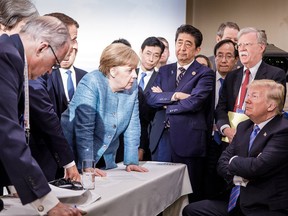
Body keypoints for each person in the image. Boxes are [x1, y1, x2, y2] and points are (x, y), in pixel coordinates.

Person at [0, 15, 81, 216]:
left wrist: (14, 182)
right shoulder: (6, 57)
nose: (48, 73)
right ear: (42, 47)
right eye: (54, 64)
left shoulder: (10, 54)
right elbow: (7, 133)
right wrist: (48, 203)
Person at [183, 79, 288, 216]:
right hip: (237, 200)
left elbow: (257, 167)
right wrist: (237, 176)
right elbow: (221, 163)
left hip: (265, 206)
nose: (247, 100)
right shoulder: (244, 126)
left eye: (254, 96)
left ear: (271, 105)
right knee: (191, 210)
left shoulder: (283, 130)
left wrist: (233, 161)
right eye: (248, 95)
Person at [146, 24, 215, 202]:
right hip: (161, 137)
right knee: (158, 193)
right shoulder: (163, 70)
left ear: (197, 49)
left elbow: (195, 102)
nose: (182, 48)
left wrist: (166, 102)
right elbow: (151, 98)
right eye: (179, 42)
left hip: (188, 140)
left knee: (186, 194)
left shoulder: (205, 73)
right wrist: (176, 95)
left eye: (188, 44)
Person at [61, 43, 149, 174]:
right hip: (75, 154)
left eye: (135, 70)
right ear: (113, 70)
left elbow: (133, 126)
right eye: (129, 70)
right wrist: (87, 165)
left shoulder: (133, 87)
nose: (135, 75)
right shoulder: (91, 82)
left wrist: (131, 161)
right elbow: (84, 129)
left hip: (105, 156)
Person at [28, 12, 85, 182]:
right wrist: (68, 162)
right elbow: (46, 116)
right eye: (72, 38)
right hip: (33, 158)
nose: (74, 45)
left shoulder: (51, 68)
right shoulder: (35, 69)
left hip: (52, 157)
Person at [215, 27, 287, 144]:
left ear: (261, 47)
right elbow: (221, 108)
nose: (242, 49)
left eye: (247, 44)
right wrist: (225, 129)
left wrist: (245, 132)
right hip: (229, 139)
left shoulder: (275, 75)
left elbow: (274, 109)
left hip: (257, 140)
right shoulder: (231, 76)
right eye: (239, 45)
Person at [204, 39, 239, 198]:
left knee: (226, 181)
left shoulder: (240, 83)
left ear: (236, 59)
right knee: (206, 182)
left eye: (228, 56)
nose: (223, 60)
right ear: (214, 58)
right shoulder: (204, 79)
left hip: (231, 140)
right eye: (220, 55)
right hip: (206, 139)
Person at [45, 13, 88, 119]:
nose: (71, 46)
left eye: (74, 40)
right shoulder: (43, 77)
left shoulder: (87, 77)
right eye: (70, 40)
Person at [137, 36, 165, 161]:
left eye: (156, 55)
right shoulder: (128, 73)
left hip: (149, 133)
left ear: (160, 57)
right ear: (140, 52)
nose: (151, 59)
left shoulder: (162, 78)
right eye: (148, 53)